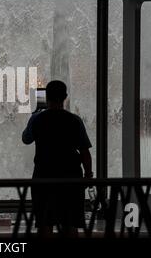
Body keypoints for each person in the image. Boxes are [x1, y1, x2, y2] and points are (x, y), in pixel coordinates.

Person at [22, 80, 93, 238]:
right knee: (70, 224)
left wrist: (33, 117)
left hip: (43, 177)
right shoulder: (75, 120)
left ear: (46, 97)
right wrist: (88, 175)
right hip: (71, 179)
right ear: (65, 97)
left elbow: (26, 139)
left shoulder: (37, 119)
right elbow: (84, 152)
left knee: (45, 224)